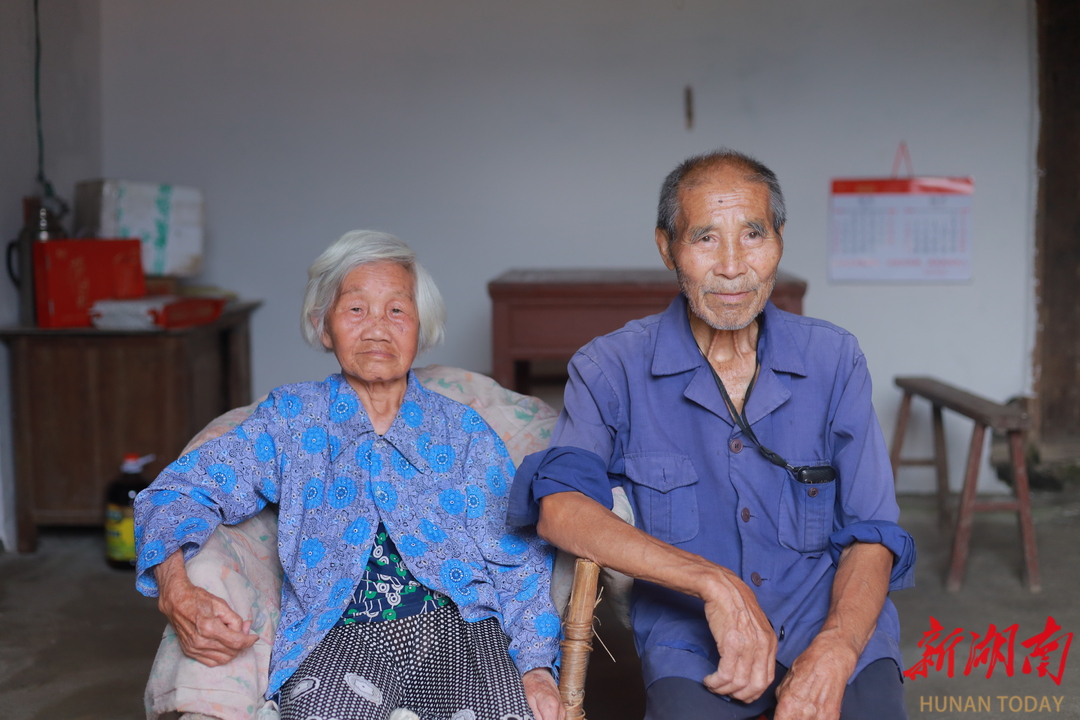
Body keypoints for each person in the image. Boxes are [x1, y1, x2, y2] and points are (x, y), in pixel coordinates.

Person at [509, 150, 916, 720]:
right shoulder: (610, 368)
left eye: (752, 234)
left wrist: (837, 649)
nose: (732, 267)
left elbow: (873, 533)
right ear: (666, 247)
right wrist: (713, 584)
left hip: (830, 621)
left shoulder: (834, 359)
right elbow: (560, 511)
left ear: (779, 241)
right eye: (705, 238)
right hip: (691, 640)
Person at [136, 230, 564, 720]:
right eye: (356, 309)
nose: (377, 328)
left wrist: (536, 666)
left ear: (419, 328)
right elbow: (175, 493)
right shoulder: (292, 419)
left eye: (396, 310)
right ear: (324, 327)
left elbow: (516, 558)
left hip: (464, 633)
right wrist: (176, 590)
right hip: (339, 634)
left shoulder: (463, 431)